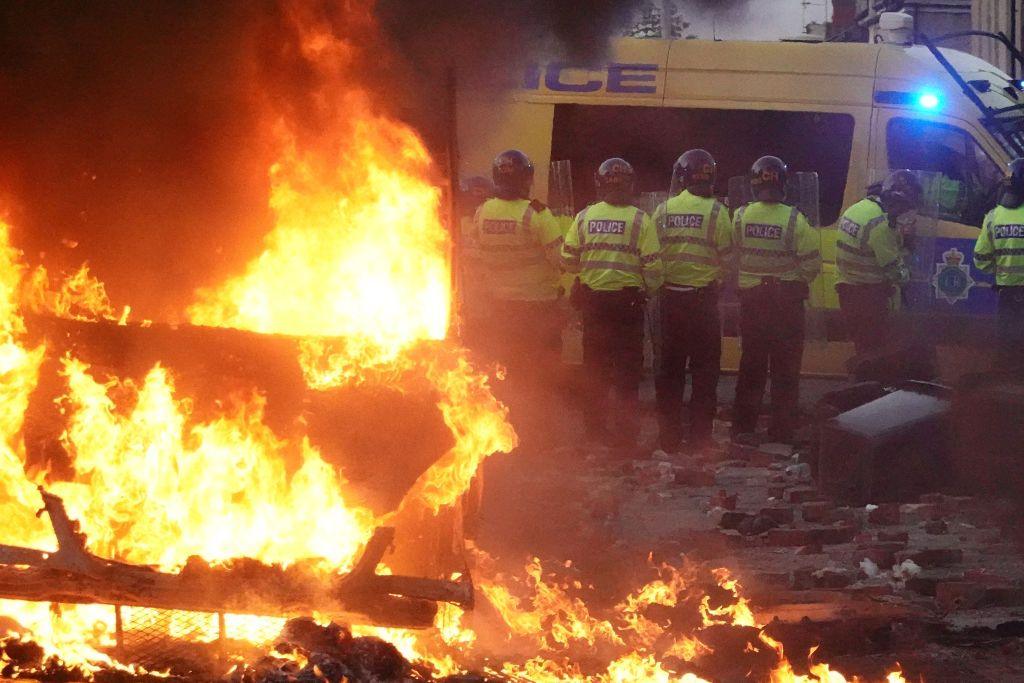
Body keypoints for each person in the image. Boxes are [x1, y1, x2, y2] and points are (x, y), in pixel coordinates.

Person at [561, 158, 664, 447]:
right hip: (628, 306)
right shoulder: (640, 220)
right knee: (627, 374)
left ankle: (593, 432)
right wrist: (649, 290)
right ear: (630, 185)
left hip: (594, 306)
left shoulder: (583, 218)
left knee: (594, 370)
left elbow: (568, 260)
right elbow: (653, 267)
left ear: (600, 184)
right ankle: (625, 437)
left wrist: (589, 272)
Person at [731, 156, 821, 444]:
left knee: (751, 367)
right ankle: (781, 429)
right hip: (785, 304)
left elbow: (733, 255)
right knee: (785, 369)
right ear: (783, 184)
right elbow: (811, 266)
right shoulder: (795, 219)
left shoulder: (741, 216)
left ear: (754, 185)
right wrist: (789, 277)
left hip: (752, 302)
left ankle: (743, 428)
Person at [652, 149, 733, 452]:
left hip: (670, 301)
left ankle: (669, 438)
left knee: (669, 373)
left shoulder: (664, 210)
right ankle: (700, 439)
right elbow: (727, 259)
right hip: (702, 304)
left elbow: (653, 253)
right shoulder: (717, 212)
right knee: (705, 372)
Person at [463, 149, 565, 385]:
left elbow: (472, 256)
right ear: (526, 179)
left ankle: (509, 416)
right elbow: (562, 260)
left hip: (500, 308)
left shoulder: (483, 212)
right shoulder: (537, 213)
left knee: (507, 369)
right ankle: (536, 418)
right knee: (542, 372)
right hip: (538, 309)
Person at [835, 170, 921, 356]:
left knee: (863, 348)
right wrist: (910, 266)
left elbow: (871, 250)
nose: (903, 213)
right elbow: (895, 273)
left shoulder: (859, 208)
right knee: (874, 354)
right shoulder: (881, 226)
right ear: (895, 201)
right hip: (869, 299)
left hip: (848, 291)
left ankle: (863, 381)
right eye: (903, 207)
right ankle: (868, 384)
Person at [974, 157, 1024, 373]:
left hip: (1007, 294)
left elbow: (980, 259)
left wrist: (1000, 269)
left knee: (1006, 346)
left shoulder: (993, 217)